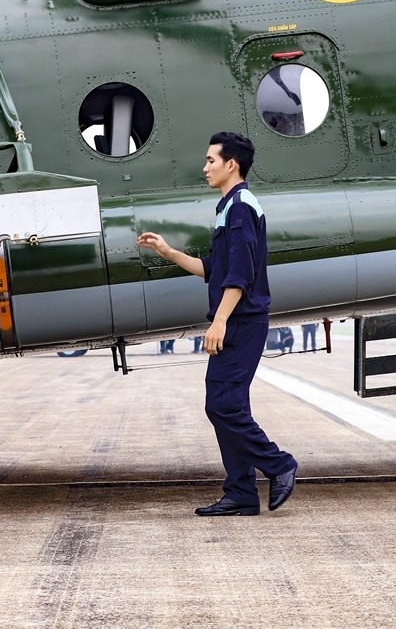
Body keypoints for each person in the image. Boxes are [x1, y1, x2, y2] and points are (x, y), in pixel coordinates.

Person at [138, 132, 297, 516]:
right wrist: (169, 251)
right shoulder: (230, 207)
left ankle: (279, 464)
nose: (204, 167)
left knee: (223, 406)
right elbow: (215, 270)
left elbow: (240, 275)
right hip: (239, 321)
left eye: (211, 160)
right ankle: (241, 492)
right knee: (225, 405)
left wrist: (220, 321)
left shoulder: (241, 207)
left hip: (242, 322)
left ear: (232, 165)